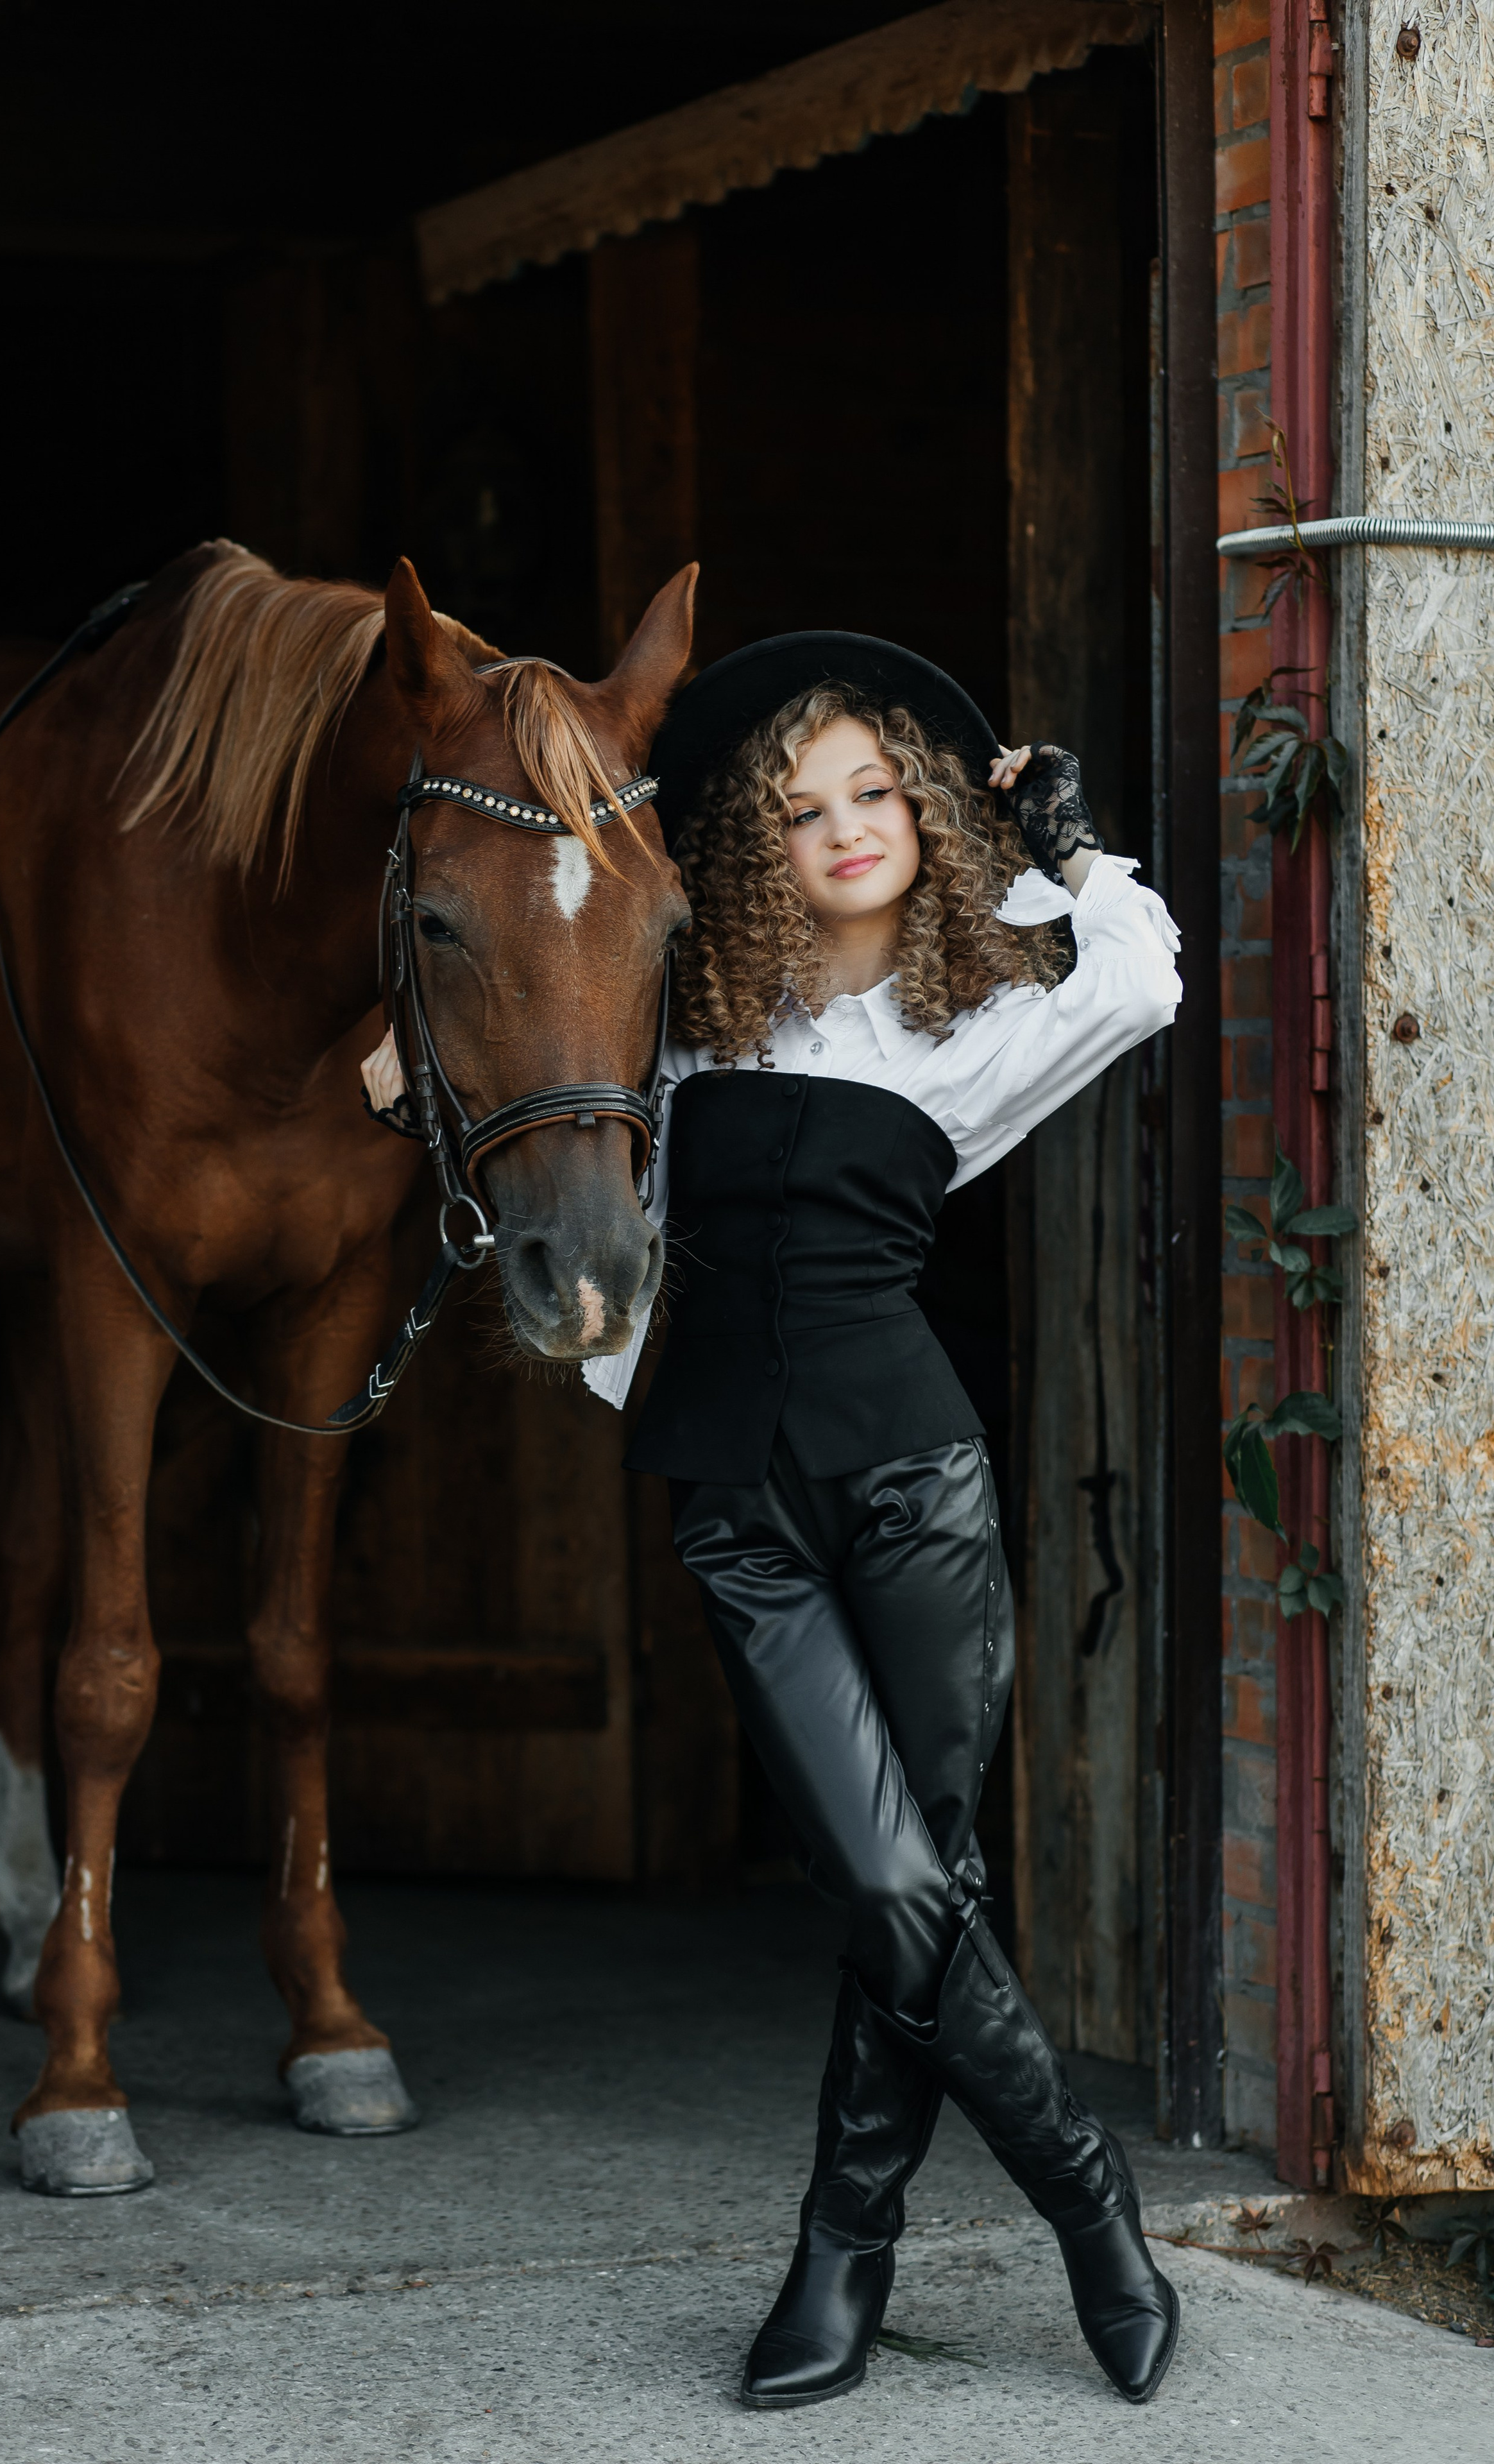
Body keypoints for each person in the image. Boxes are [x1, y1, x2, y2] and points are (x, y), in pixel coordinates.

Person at [362, 632, 1183, 2410]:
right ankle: (1089, 2201)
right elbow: (531, 1026)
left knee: (916, 1896)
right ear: (759, 840)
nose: (845, 829)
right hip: (741, 1509)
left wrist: (1072, 841)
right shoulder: (702, 1012)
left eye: (875, 793)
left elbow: (1144, 983)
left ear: (924, 811)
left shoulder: (984, 1011)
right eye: (804, 808)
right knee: (891, 1878)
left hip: (917, 1495)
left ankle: (843, 2258)